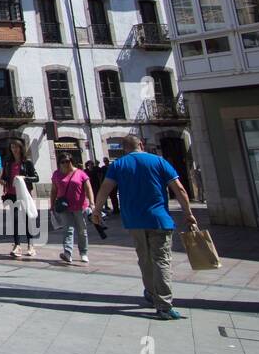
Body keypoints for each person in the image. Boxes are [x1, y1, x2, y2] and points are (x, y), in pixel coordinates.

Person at [93, 135, 198, 320]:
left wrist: (97, 210)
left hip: (133, 221)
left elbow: (104, 189)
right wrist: (188, 213)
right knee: (162, 260)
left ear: (124, 148)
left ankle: (151, 292)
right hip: (159, 219)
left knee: (144, 258)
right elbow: (179, 189)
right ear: (141, 144)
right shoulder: (159, 161)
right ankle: (164, 305)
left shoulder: (118, 165)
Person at [51, 153, 94, 264]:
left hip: (80, 206)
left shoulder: (80, 173)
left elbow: (88, 188)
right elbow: (54, 190)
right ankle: (67, 253)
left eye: (67, 161)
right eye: (62, 162)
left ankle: (83, 253)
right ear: (59, 163)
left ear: (71, 161)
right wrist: (51, 204)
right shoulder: (56, 174)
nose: (65, 163)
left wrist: (92, 203)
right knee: (67, 230)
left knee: (81, 230)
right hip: (64, 207)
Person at [2, 139, 39, 258]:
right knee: (15, 220)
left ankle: (30, 245)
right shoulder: (8, 162)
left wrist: (24, 178)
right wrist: (3, 180)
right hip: (12, 194)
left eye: (16, 147)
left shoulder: (27, 162)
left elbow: (36, 178)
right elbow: (4, 176)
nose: (14, 149)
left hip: (23, 194)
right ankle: (17, 245)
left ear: (21, 148)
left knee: (27, 219)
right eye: (12, 147)